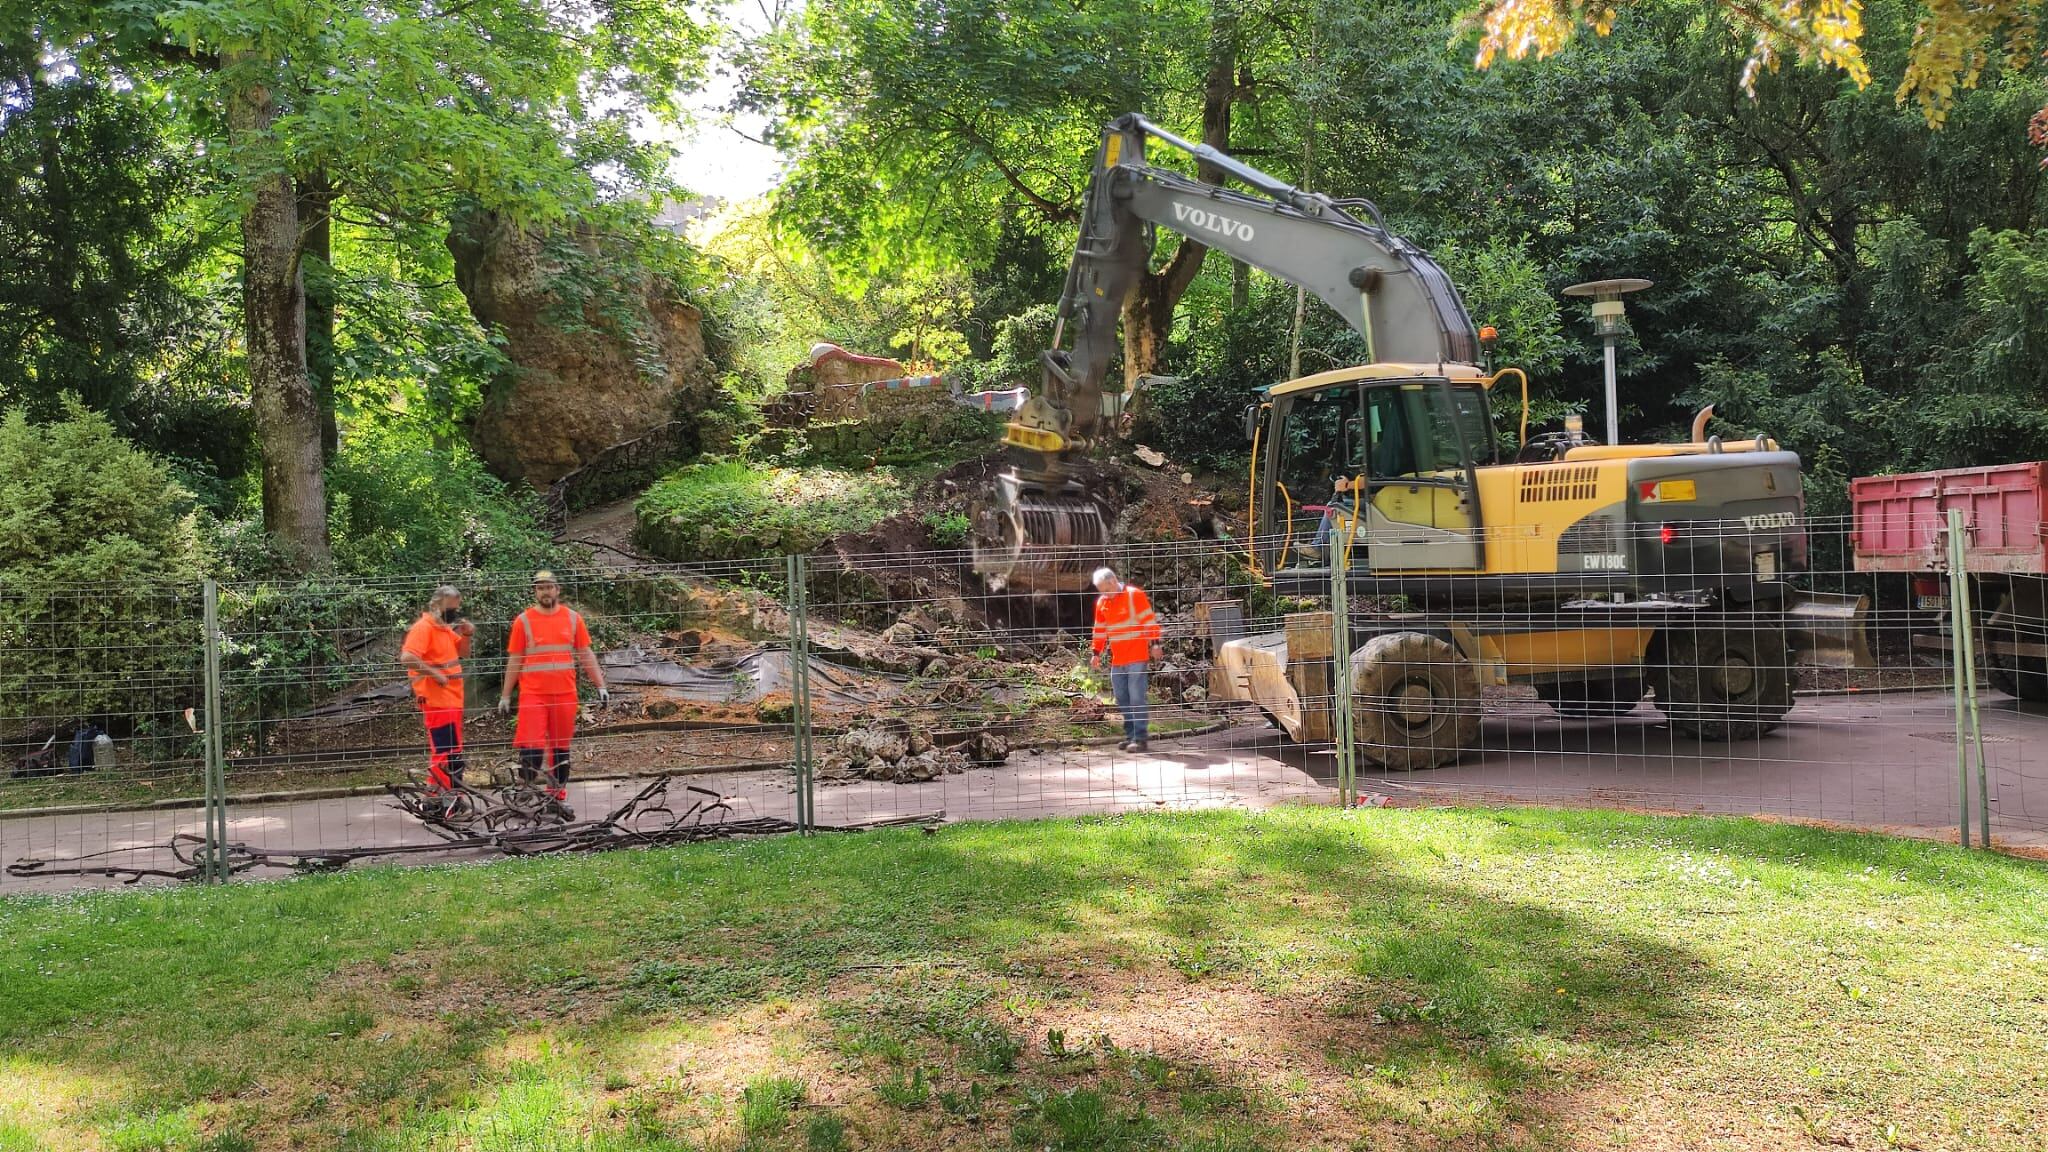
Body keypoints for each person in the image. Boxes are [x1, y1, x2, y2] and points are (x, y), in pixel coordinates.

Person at [498, 570, 608, 817]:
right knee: (531, 746)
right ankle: (526, 792)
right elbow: (515, 660)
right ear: (535, 592)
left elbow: (585, 654)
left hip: (565, 694)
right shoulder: (523, 621)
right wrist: (505, 695)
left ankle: (555, 797)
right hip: (533, 695)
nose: (545, 591)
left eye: (549, 587)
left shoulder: (572, 619)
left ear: (558, 589)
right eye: (540, 588)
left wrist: (600, 685)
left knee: (560, 748)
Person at [401, 585, 475, 806]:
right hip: (437, 700)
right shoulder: (424, 628)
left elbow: (463, 653)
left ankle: (451, 795)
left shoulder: (442, 629)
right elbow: (407, 657)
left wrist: (467, 634)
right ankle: (437, 798)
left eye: (455, 609)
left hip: (451, 700)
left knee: (452, 751)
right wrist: (434, 674)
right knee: (445, 751)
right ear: (435, 605)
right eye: (449, 609)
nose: (453, 614)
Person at [1088, 566, 1163, 753]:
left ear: (1113, 581)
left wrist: (1155, 643)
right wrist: (1096, 653)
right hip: (1118, 659)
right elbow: (1099, 630)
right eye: (1101, 591)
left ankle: (1139, 738)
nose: (1104, 594)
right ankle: (1130, 736)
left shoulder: (1134, 595)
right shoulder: (1102, 602)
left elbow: (1149, 621)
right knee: (1122, 698)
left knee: (1137, 697)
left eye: (1105, 589)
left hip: (1137, 657)